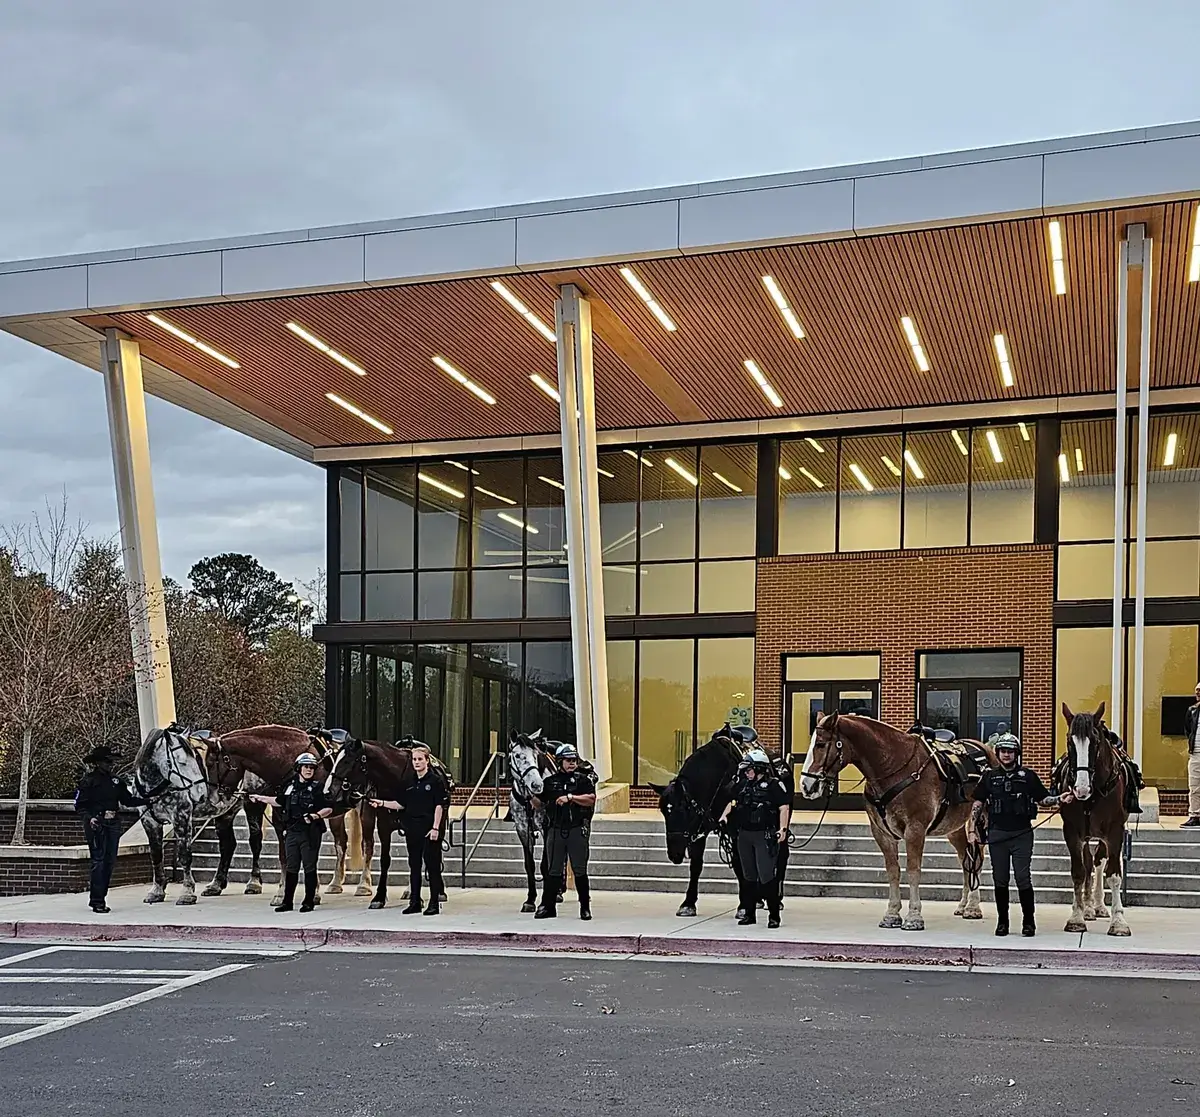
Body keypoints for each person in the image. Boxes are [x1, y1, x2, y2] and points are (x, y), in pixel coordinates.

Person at [972, 733, 1073, 937]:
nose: (1006, 755)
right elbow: (977, 803)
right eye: (1003, 751)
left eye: (1010, 751)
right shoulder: (990, 777)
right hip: (997, 835)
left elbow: (1042, 798)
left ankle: (1029, 922)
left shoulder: (1028, 776)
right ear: (998, 753)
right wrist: (972, 830)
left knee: (1022, 878)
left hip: (1022, 835)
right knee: (999, 879)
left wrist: (1059, 799)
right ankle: (1003, 922)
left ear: (1016, 753)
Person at [370, 744, 450, 916]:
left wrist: (436, 828)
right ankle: (415, 901)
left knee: (432, 866)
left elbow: (439, 806)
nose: (417, 762)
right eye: (414, 759)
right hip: (412, 829)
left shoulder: (435, 781)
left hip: (429, 829)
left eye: (420, 759)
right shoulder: (408, 782)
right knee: (414, 866)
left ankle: (434, 903)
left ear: (427, 761)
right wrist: (381, 803)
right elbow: (400, 804)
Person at [250, 752, 333, 913]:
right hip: (292, 832)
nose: (309, 770)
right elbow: (278, 801)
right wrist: (260, 798)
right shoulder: (290, 786)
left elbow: (329, 808)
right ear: (298, 768)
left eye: (312, 767)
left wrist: (315, 815)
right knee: (291, 868)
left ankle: (308, 901)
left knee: (309, 867)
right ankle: (287, 901)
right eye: (306, 767)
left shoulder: (317, 788)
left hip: (310, 832)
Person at [719, 748, 789, 928]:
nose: (747, 773)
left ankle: (774, 915)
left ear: (759, 769)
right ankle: (749, 914)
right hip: (744, 835)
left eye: (749, 769)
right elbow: (732, 801)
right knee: (748, 876)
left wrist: (783, 829)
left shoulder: (774, 785)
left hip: (763, 835)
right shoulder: (743, 784)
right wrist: (725, 815)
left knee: (766, 876)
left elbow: (784, 807)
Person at [74, 744, 148, 914]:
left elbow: (128, 800)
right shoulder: (88, 781)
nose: (110, 765)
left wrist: (149, 800)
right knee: (98, 861)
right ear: (98, 763)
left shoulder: (116, 781)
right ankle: (97, 901)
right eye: (107, 762)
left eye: (111, 762)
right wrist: (90, 818)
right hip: (97, 823)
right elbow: (79, 805)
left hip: (113, 822)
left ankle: (101, 896)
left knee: (109, 861)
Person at [533, 743, 598, 920]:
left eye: (574, 760)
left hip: (576, 829)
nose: (572, 763)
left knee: (579, 870)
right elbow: (540, 803)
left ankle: (585, 907)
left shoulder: (583, 780)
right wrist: (530, 796)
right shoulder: (550, 782)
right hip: (555, 829)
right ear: (560, 761)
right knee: (553, 870)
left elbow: (591, 799)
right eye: (568, 760)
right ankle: (548, 906)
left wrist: (571, 798)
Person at [1184, 684, 1200, 828]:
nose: (1198, 694)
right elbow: (1188, 730)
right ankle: (1194, 815)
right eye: (1197, 691)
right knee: (1194, 787)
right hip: (1196, 754)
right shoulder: (1192, 710)